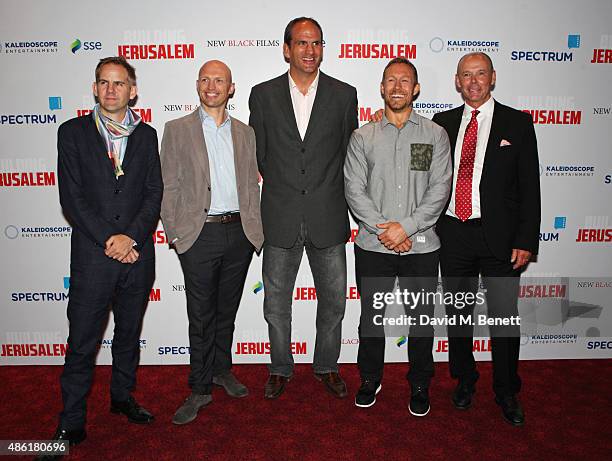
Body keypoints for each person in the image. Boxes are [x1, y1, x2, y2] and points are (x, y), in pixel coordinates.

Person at [37, 56, 162, 460]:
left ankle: (122, 397)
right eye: (104, 83)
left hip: (138, 254)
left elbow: (153, 193)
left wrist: (131, 238)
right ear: (94, 88)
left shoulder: (146, 136)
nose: (111, 90)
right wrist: (112, 239)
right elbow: (71, 199)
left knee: (128, 335)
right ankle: (70, 421)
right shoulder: (71, 133)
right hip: (94, 256)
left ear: (133, 90)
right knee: (82, 342)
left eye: (120, 83)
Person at [249, 17, 358, 399]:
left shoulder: (345, 95)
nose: (310, 50)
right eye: (301, 43)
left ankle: (327, 365)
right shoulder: (262, 95)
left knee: (334, 302)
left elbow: (350, 156)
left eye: (316, 43)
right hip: (279, 216)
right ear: (286, 49)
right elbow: (259, 156)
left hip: (328, 216)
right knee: (275, 304)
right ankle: (280, 367)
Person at [432, 52, 540, 426]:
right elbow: (422, 172)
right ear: (457, 81)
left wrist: (526, 239)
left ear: (493, 78)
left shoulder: (518, 123)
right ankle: (465, 380)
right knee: (458, 316)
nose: (474, 81)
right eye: (466, 75)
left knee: (504, 320)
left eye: (480, 74)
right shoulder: (440, 124)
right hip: (453, 234)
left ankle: (507, 389)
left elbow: (530, 188)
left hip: (501, 238)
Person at [344, 58, 451, 415]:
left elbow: (439, 189)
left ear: (416, 89)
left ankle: (420, 383)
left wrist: (406, 227)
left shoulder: (435, 135)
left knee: (421, 320)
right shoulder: (363, 136)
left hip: (421, 246)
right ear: (381, 88)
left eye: (405, 81)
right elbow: (354, 190)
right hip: (373, 246)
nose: (398, 87)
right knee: (371, 319)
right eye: (391, 80)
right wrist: (385, 229)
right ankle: (369, 378)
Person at [160, 60, 263, 425]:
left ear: (231, 88)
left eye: (219, 80)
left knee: (226, 310)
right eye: (205, 79)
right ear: (198, 85)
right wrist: (175, 232)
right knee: (201, 315)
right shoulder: (177, 129)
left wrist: (254, 229)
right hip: (198, 234)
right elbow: (168, 185)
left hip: (238, 232)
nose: (211, 85)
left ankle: (221, 369)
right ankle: (199, 386)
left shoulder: (245, 133)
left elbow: (252, 184)